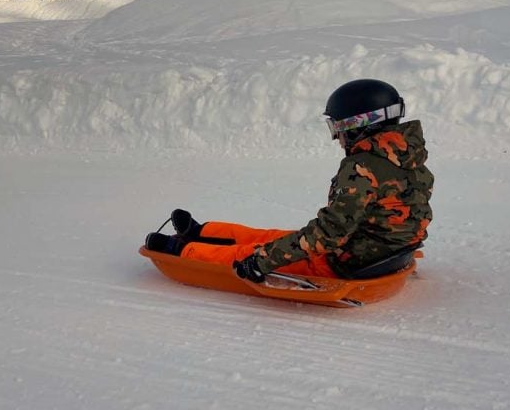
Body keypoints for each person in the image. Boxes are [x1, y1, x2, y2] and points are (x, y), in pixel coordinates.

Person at [145, 79, 434, 281]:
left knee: (252, 253)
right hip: (374, 249)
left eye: (337, 128)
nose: (338, 137)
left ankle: (181, 250)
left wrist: (261, 263)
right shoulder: (407, 156)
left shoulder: (362, 167)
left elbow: (326, 236)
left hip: (346, 260)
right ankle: (202, 232)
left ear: (356, 125)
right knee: (273, 237)